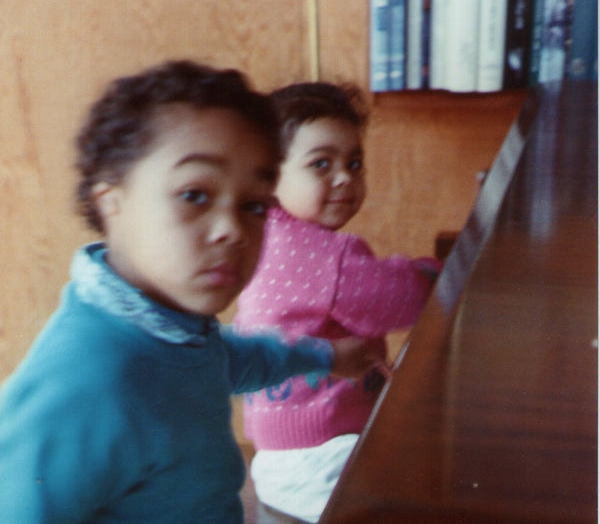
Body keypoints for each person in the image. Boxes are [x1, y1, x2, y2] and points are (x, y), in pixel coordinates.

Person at [0, 62, 385, 524]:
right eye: (195, 195)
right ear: (111, 200)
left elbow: (229, 356)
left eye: (253, 205)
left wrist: (324, 356)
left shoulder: (171, 326)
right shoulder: (84, 383)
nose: (233, 231)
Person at [234, 81, 442, 524]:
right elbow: (403, 299)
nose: (344, 177)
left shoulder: (267, 233)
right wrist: (433, 270)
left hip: (279, 454)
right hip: (325, 452)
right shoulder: (327, 257)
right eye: (321, 164)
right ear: (270, 174)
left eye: (355, 162)